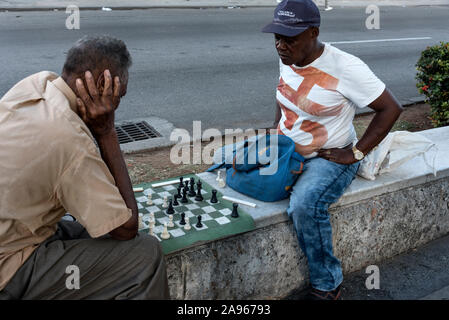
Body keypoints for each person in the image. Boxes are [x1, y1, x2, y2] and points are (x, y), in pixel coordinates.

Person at [0, 35, 169, 300]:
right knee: (145, 254)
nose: (119, 101)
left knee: (86, 229)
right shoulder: (70, 140)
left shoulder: (36, 83)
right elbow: (126, 228)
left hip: (12, 228)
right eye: (119, 93)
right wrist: (107, 132)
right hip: (7, 268)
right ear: (101, 84)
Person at [262, 0, 403, 300]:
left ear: (313, 32)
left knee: (304, 205)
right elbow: (284, 93)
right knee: (231, 168)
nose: (280, 45)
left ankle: (327, 284)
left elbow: (390, 108)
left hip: (330, 157)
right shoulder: (289, 57)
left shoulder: (346, 67)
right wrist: (276, 132)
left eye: (289, 38)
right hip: (289, 150)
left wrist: (355, 153)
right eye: (277, 37)